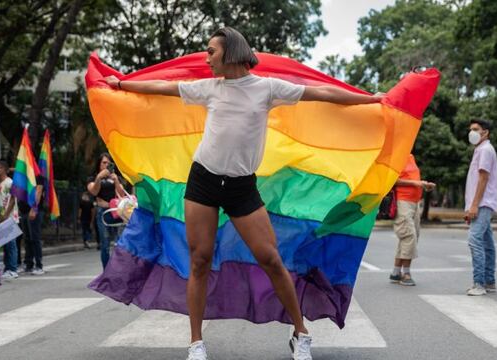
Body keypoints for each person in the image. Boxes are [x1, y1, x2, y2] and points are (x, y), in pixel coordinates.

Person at [103, 27, 382, 360]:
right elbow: (163, 88)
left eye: (211, 52)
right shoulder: (210, 89)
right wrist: (121, 84)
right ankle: (196, 343)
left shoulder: (265, 89)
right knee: (200, 260)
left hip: (242, 187)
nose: (206, 58)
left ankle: (300, 334)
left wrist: (371, 100)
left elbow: (321, 93)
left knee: (271, 259)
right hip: (203, 180)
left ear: (231, 52)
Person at [388, 154, 435, 286]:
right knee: (409, 236)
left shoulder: (410, 156)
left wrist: (423, 185)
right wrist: (416, 183)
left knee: (409, 237)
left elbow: (411, 178)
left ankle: (396, 272)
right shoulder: (397, 156)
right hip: (402, 201)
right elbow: (392, 180)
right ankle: (406, 273)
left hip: (414, 202)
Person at [465, 119, 497, 296]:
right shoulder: (480, 149)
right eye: (471, 129)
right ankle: (489, 281)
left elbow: (483, 179)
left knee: (474, 240)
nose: (472, 132)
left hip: (483, 203)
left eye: (476, 129)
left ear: (485, 132)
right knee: (487, 243)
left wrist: (474, 205)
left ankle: (479, 284)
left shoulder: (485, 150)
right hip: (482, 203)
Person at [87, 153, 125, 268]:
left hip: (116, 212)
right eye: (104, 163)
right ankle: (106, 272)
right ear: (99, 164)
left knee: (119, 243)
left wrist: (117, 181)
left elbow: (122, 195)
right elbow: (94, 191)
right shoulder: (93, 178)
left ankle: (116, 271)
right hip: (102, 213)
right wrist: (99, 177)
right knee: (105, 244)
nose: (106, 165)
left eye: (109, 163)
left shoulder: (115, 177)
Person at [0, 160, 20, 279]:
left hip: (10, 217)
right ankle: (7, 268)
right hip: (3, 217)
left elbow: (13, 198)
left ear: (3, 169)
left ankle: (13, 269)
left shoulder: (9, 182)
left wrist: (6, 214)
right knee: (6, 244)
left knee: (11, 244)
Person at [17, 171, 45, 275]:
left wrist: (34, 208)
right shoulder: (22, 175)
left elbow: (38, 190)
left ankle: (39, 265)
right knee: (27, 238)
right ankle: (28, 264)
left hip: (34, 211)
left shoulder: (37, 175)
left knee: (35, 238)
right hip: (24, 211)